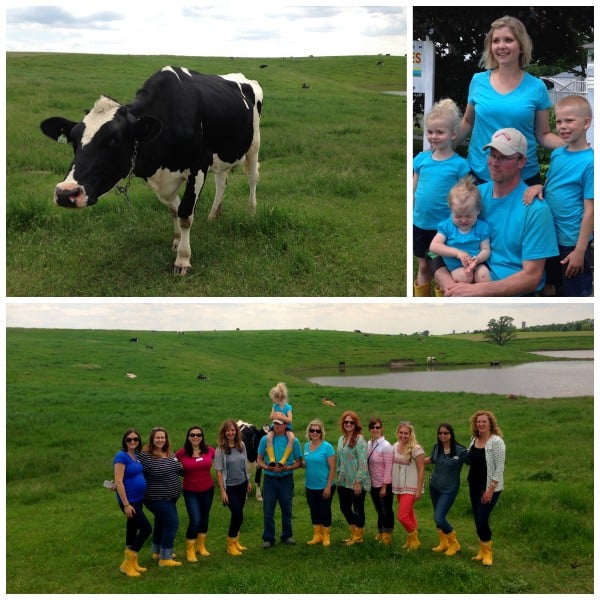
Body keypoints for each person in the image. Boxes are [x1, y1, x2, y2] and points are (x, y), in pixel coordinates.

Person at [435, 127, 558, 296]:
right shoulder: (473, 196)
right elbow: (437, 249)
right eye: (492, 155)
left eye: (504, 157)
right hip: (464, 279)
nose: (494, 162)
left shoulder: (535, 210)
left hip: (506, 293)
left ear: (521, 161)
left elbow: (532, 277)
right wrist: (449, 285)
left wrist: (475, 291)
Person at [455, 15, 563, 185]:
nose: (501, 46)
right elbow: (467, 122)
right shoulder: (478, 80)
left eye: (508, 40)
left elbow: (543, 135)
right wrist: (443, 144)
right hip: (480, 174)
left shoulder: (536, 87)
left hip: (523, 178)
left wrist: (572, 144)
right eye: (496, 41)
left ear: (521, 46)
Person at [524, 95, 594, 297]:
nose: (562, 126)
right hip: (550, 234)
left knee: (573, 291)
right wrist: (540, 187)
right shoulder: (558, 153)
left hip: (571, 241)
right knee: (551, 284)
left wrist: (580, 251)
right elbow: (554, 184)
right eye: (559, 121)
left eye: (569, 121)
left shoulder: (591, 162)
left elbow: (591, 210)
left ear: (586, 123)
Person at [413, 98, 471, 296]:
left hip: (444, 228)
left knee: (442, 269)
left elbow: (464, 198)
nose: (434, 137)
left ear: (452, 134)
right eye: (430, 132)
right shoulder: (420, 160)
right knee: (423, 266)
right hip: (420, 224)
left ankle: (442, 299)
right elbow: (414, 190)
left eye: (440, 132)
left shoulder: (460, 165)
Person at [429, 176, 491, 285]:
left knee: (484, 276)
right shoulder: (447, 226)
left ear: (477, 210)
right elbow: (434, 246)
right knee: (465, 277)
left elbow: (486, 249)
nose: (463, 220)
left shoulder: (482, 227)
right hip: (456, 266)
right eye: (458, 216)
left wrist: (478, 259)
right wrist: (457, 253)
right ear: (451, 210)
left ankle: (482, 300)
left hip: (476, 263)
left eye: (468, 216)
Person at [138, 427, 183, 567]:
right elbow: (132, 469)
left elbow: (179, 469)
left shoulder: (169, 454)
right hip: (156, 498)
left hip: (171, 497)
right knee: (172, 523)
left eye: (162, 437)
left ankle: (157, 551)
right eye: (157, 437)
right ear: (152, 439)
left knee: (161, 522)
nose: (160, 440)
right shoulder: (145, 455)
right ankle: (165, 558)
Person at [256, 418, 304, 548]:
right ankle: (268, 538)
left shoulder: (294, 441)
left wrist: (287, 468)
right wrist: (267, 467)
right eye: (274, 423)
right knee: (268, 509)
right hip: (270, 479)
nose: (276, 425)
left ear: (286, 425)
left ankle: (287, 535)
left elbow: (299, 462)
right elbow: (259, 459)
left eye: (279, 423)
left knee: (287, 509)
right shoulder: (265, 440)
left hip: (286, 478)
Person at [467, 410, 505, 566]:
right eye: (478, 422)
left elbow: (500, 467)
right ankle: (482, 550)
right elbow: (471, 459)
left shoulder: (496, 442)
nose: (481, 424)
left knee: (482, 518)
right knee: (477, 518)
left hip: (490, 487)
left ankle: (488, 552)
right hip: (473, 484)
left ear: (490, 424)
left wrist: (490, 489)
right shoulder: (474, 439)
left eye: (484, 421)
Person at [113, 428, 152, 577]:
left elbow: (123, 478)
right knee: (146, 529)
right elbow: (118, 480)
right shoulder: (121, 456)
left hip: (138, 498)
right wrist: (126, 504)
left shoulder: (135, 455)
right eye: (129, 439)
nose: (133, 442)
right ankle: (127, 563)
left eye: (135, 439)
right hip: (130, 501)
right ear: (124, 441)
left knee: (132, 529)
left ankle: (132, 563)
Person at [425, 423, 469, 556]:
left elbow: (474, 461)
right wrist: (414, 459)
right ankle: (443, 542)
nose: (443, 435)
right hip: (434, 486)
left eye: (446, 433)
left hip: (449, 489)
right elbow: (431, 460)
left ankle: (454, 543)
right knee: (437, 517)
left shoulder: (460, 450)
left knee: (439, 517)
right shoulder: (436, 447)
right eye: (440, 433)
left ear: (451, 434)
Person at [175, 425, 215, 562]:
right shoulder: (181, 453)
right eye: (192, 435)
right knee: (195, 519)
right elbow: (169, 465)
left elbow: (223, 458)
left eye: (198, 435)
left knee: (204, 518)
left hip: (208, 489)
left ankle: (201, 546)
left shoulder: (210, 450)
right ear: (188, 437)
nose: (195, 437)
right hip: (191, 491)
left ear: (202, 437)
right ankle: (190, 549)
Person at [213, 419, 252, 556]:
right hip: (230, 487)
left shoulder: (241, 445)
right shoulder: (220, 450)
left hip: (242, 484)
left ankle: (236, 542)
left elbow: (245, 464)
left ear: (236, 432)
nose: (230, 433)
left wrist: (248, 481)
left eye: (233, 430)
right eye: (228, 430)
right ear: (224, 433)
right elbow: (218, 470)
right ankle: (230, 543)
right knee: (238, 514)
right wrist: (223, 491)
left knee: (238, 515)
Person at [335, 410, 370, 545]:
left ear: (355, 424)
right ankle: (353, 532)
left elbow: (363, 463)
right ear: (343, 424)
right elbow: (340, 459)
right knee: (344, 507)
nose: (348, 424)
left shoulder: (359, 440)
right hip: (343, 480)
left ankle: (358, 537)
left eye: (351, 422)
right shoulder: (340, 439)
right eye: (346, 422)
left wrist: (358, 482)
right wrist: (338, 476)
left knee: (358, 508)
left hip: (356, 481)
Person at [392, 421, 425, 551]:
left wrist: (419, 489)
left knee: (402, 516)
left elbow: (421, 469)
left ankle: (414, 539)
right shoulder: (394, 446)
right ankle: (411, 540)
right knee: (410, 514)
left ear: (410, 434)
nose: (403, 435)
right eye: (401, 432)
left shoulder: (416, 448)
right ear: (397, 433)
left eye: (406, 433)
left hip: (411, 487)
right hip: (399, 486)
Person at [302, 418, 336, 547]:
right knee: (314, 510)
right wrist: (298, 463)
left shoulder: (327, 447)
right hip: (310, 485)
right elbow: (307, 463)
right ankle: (317, 535)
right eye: (312, 430)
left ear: (321, 432)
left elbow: (332, 467)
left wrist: (328, 486)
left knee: (324, 510)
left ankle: (326, 535)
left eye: (317, 430)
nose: (314, 433)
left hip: (324, 486)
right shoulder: (306, 446)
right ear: (309, 432)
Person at [366, 418, 394, 545]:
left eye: (377, 427)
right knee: (379, 510)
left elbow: (389, 467)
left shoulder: (386, 446)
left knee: (386, 510)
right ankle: (380, 532)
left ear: (381, 428)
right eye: (372, 427)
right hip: (373, 483)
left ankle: (387, 535)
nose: (375, 430)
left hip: (384, 484)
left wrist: (384, 486)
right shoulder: (368, 444)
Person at [265, 381, 295, 467]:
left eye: (274, 398)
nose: (273, 400)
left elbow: (290, 419)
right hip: (275, 425)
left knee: (292, 438)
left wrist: (281, 417)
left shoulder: (288, 407)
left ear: (279, 398)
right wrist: (276, 415)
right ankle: (272, 459)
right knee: (269, 437)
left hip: (287, 426)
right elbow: (271, 417)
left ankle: (283, 459)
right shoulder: (275, 406)